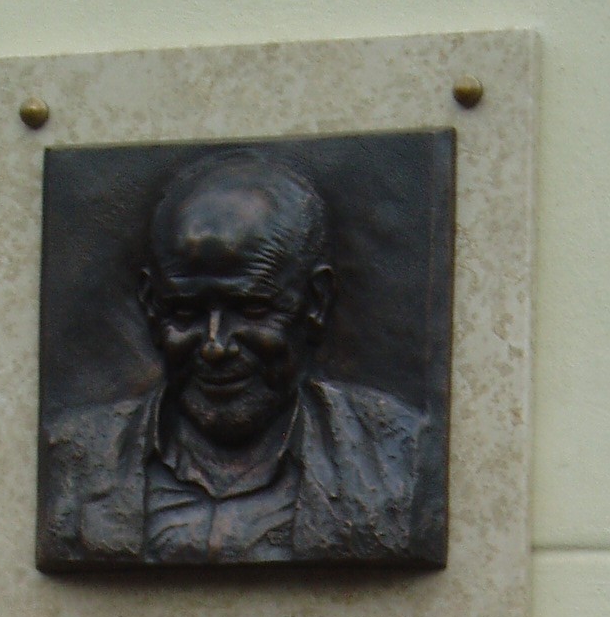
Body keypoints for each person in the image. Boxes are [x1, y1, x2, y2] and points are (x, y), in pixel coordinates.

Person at [39, 149, 436, 569]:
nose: (215, 346)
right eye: (186, 313)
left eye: (252, 310)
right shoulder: (73, 464)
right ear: (151, 306)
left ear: (315, 303)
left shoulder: (398, 458)